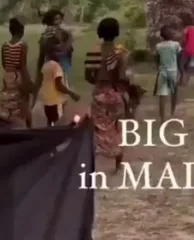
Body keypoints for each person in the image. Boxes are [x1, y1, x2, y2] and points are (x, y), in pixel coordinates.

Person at [85, 17, 133, 172]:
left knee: (97, 128)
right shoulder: (120, 53)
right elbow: (122, 77)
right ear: (116, 32)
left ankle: (94, 163)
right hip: (115, 93)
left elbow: (88, 76)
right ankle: (117, 165)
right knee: (117, 128)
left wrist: (99, 82)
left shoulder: (93, 51)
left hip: (99, 93)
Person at [0, 18, 33, 128]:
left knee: (8, 100)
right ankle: (29, 128)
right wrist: (28, 81)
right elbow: (22, 65)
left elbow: (4, 64)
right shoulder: (22, 45)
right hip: (18, 76)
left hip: (7, 76)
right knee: (24, 101)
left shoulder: (4, 45)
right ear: (21, 32)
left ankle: (6, 122)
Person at [40, 37, 80, 126]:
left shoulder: (45, 65)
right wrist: (72, 94)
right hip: (55, 101)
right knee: (58, 123)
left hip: (47, 101)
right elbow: (59, 86)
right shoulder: (56, 67)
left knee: (50, 122)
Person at [154, 25, 182, 122]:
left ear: (162, 36)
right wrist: (181, 70)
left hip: (163, 72)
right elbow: (179, 58)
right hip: (173, 72)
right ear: (171, 34)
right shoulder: (176, 45)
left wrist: (158, 67)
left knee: (162, 96)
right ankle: (172, 111)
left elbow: (157, 59)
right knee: (174, 93)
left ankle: (162, 119)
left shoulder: (158, 46)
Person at [37, 9, 73, 83]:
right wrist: (70, 37)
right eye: (56, 19)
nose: (59, 21)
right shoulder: (54, 32)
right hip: (56, 65)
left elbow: (42, 54)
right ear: (50, 21)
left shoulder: (46, 34)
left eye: (60, 19)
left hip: (55, 64)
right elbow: (65, 50)